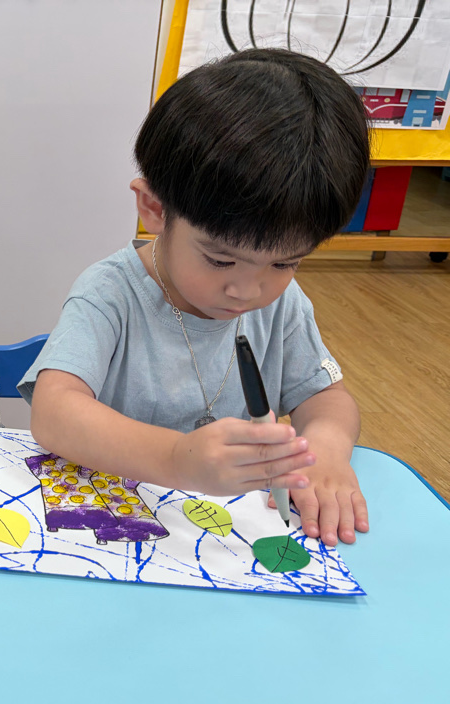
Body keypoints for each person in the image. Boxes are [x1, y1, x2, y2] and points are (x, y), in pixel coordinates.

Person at [20, 48, 371, 547]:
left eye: (284, 263)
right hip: (113, 529)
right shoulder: (110, 293)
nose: (247, 290)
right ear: (154, 208)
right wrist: (177, 459)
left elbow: (325, 397)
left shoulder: (283, 305)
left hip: (225, 542)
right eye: (221, 260)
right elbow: (54, 412)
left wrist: (326, 449)